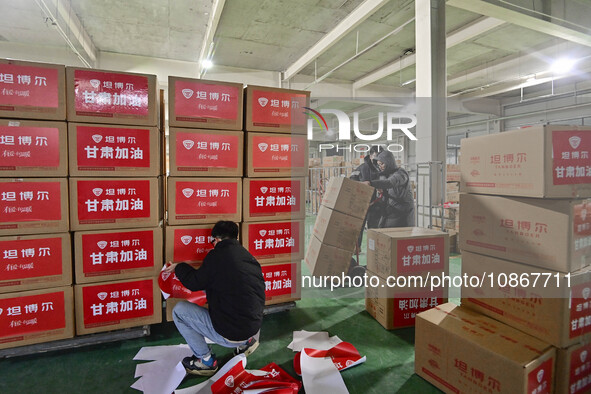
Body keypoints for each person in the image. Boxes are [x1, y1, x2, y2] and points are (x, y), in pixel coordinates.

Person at [165, 221, 266, 376]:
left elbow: (193, 282)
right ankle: (247, 343)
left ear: (217, 240)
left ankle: (205, 361)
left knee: (179, 311)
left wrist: (179, 267)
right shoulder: (247, 256)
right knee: (239, 299)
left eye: (212, 241)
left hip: (229, 333)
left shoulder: (217, 256)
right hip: (253, 328)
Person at [364, 150, 415, 228]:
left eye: (382, 164)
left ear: (389, 162)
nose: (380, 166)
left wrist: (370, 183)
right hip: (390, 213)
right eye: (378, 164)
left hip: (402, 216)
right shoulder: (384, 175)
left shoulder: (401, 174)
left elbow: (390, 183)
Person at [349, 145, 383, 248]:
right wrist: (362, 184)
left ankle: (373, 249)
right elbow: (351, 180)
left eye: (380, 156)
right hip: (362, 204)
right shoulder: (362, 168)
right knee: (359, 228)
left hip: (376, 205)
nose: (378, 159)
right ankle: (357, 248)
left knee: (374, 229)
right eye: (376, 156)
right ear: (370, 156)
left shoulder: (382, 168)